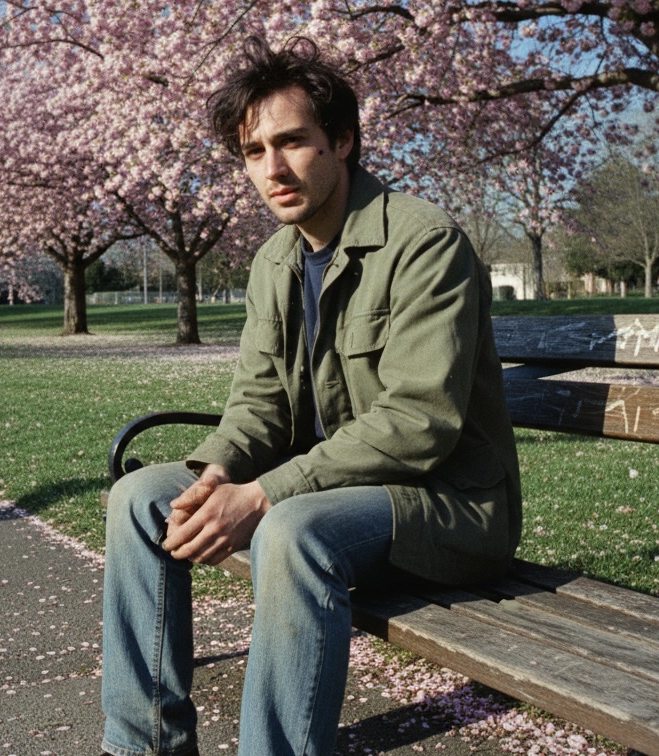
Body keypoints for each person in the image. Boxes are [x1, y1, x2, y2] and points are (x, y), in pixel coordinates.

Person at [100, 35, 522, 756]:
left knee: (293, 532)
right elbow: (260, 402)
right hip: (326, 493)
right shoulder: (276, 259)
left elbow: (420, 421)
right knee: (141, 497)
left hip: (445, 506)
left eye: (292, 142)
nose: (273, 168)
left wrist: (264, 495)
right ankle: (144, 746)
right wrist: (217, 475)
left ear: (343, 141)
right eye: (254, 151)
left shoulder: (426, 243)